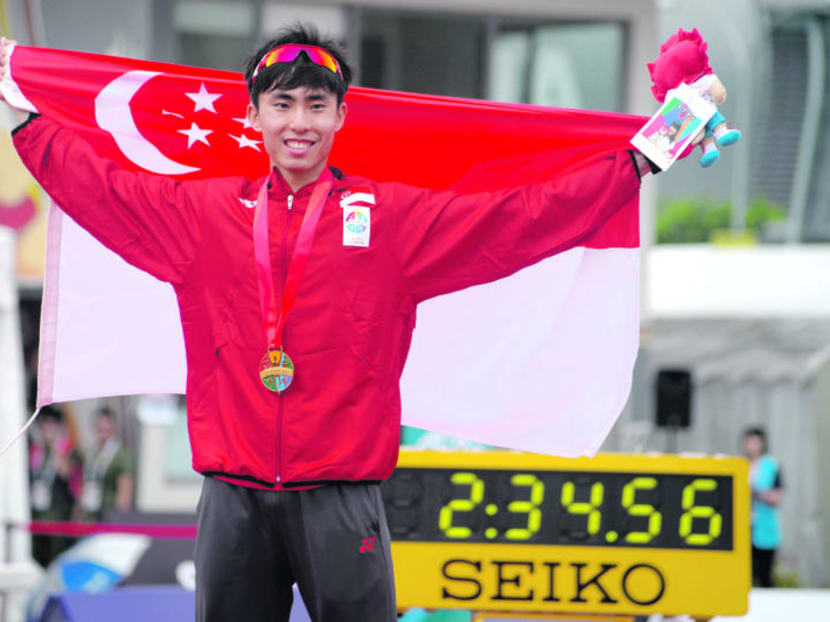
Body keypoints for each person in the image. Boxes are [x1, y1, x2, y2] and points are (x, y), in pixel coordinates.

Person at [3, 24, 682, 621]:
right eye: (283, 104)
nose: (299, 120)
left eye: (316, 105)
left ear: (339, 117)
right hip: (232, 498)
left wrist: (636, 161)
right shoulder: (204, 216)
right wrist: (22, 117)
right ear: (255, 115)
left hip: (342, 498)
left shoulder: (390, 221)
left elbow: (519, 218)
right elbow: (102, 189)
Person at [28, 404, 82, 567]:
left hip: (57, 518)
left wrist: (53, 448)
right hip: (37, 516)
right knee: (36, 559)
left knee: (55, 560)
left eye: (52, 424)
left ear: (59, 426)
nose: (48, 428)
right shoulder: (37, 450)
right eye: (45, 423)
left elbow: (66, 473)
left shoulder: (67, 449)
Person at [743, 426, 783, 587]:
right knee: (746, 575)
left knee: (765, 575)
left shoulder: (772, 466)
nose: (752, 446)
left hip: (764, 527)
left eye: (755, 442)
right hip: (745, 526)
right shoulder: (741, 465)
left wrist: (755, 490)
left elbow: (776, 497)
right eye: (748, 442)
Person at [80, 406, 133, 522]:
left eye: (107, 423)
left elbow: (125, 493)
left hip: (108, 516)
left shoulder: (120, 455)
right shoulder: (92, 452)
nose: (102, 427)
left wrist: (118, 520)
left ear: (113, 426)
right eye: (99, 423)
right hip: (90, 513)